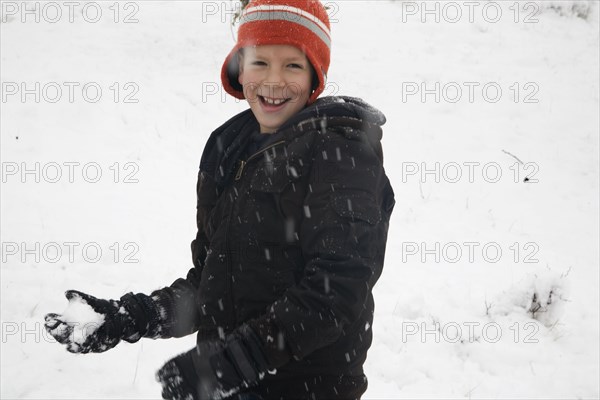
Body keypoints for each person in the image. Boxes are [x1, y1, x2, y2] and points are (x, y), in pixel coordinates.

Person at [44, 0, 395, 398]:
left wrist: (231, 363)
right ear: (238, 67)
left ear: (316, 75)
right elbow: (212, 285)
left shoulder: (342, 155)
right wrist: (129, 318)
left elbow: (335, 293)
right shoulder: (229, 148)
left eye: (293, 65)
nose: (274, 81)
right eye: (259, 62)